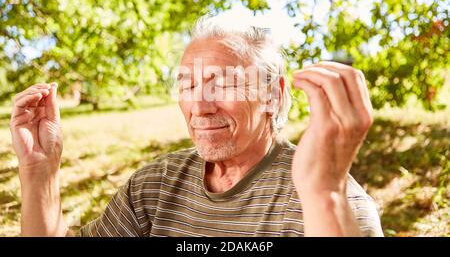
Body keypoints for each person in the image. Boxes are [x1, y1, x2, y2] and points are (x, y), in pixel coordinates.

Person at [9, 14, 383, 237]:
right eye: (188, 84)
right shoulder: (154, 187)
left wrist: (325, 196)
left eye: (222, 82)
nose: (199, 107)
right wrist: (39, 173)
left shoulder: (330, 201)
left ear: (272, 94)